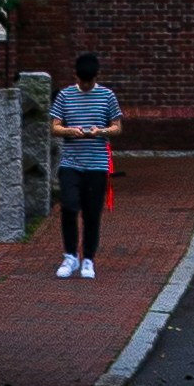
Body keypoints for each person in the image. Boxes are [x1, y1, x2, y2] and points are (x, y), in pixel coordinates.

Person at [51, 50, 121, 278]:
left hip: (97, 164)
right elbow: (55, 127)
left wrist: (100, 131)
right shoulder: (65, 96)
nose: (86, 84)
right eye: (82, 80)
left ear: (96, 77)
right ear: (76, 76)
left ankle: (88, 259)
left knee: (92, 213)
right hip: (71, 162)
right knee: (69, 206)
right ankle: (70, 256)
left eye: (89, 81)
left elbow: (117, 127)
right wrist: (70, 131)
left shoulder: (107, 96)